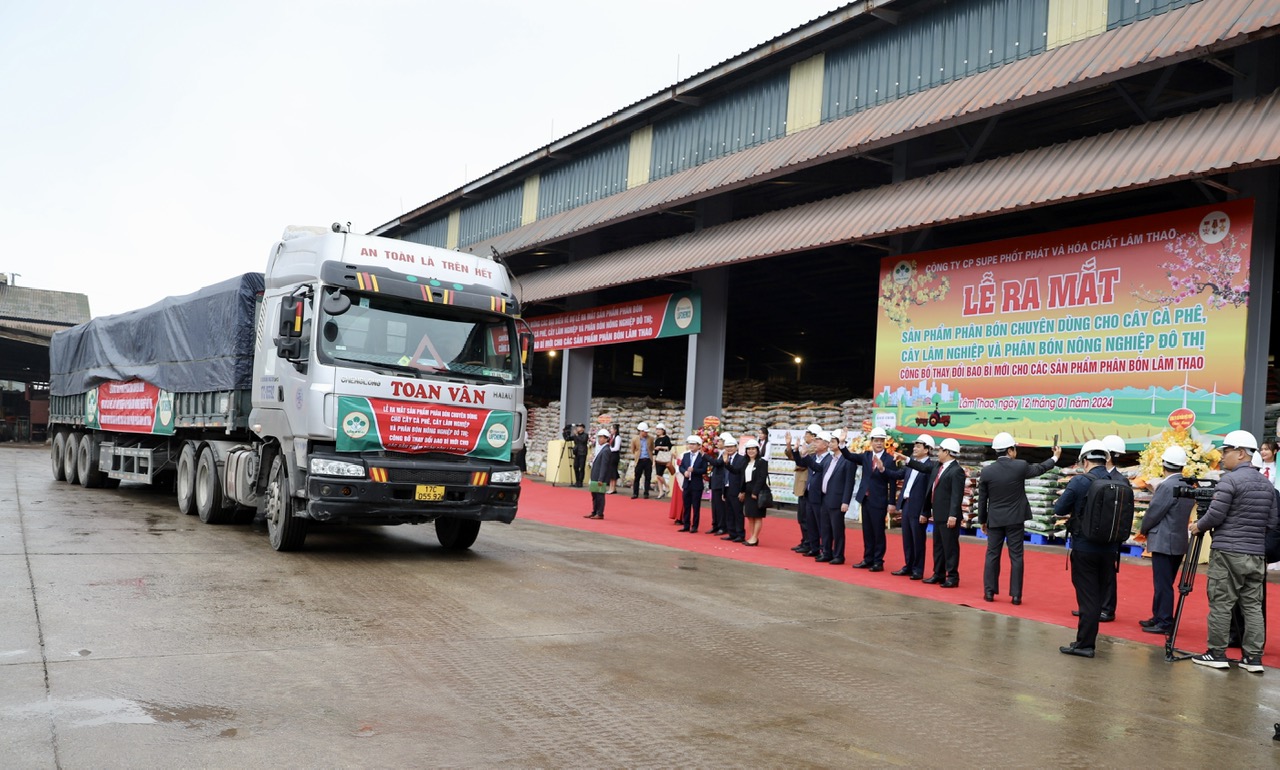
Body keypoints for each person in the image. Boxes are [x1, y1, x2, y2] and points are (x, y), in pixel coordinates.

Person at [1188, 430, 1278, 673]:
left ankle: (1216, 653)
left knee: (1221, 603)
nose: (1222, 455)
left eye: (1226, 451)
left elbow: (1216, 514)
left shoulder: (1230, 480)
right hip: (1256, 554)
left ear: (1240, 453)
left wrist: (1198, 526)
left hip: (1228, 551)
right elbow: (1271, 523)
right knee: (1252, 605)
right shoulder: (1266, 485)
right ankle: (1253, 658)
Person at [1053, 440, 1124, 659]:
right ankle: (1085, 641)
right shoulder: (1120, 482)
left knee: (1088, 598)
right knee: (1098, 595)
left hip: (1085, 548)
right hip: (1110, 549)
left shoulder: (1079, 481)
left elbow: (1059, 508)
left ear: (1085, 461)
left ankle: (1085, 644)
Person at [978, 431, 1061, 605]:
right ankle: (1016, 596)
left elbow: (982, 499)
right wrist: (1054, 457)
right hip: (1015, 519)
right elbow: (1040, 468)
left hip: (995, 520)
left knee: (992, 555)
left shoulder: (987, 471)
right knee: (1016, 556)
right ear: (1010, 450)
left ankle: (989, 592)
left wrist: (982, 521)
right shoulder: (1020, 466)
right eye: (1014, 448)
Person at [1137, 446, 1195, 635]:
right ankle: (1158, 616)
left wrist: (1143, 529)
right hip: (1178, 540)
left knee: (1162, 583)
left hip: (1163, 540)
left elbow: (1154, 512)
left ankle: (1163, 621)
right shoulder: (1187, 485)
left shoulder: (1166, 486)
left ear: (1164, 465)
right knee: (1165, 582)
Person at [841, 427, 902, 571]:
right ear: (871, 442)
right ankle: (867, 559)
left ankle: (878, 561)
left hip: (879, 500)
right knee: (867, 531)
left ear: (885, 443)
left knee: (878, 532)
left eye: (881, 441)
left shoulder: (889, 459)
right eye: (876, 440)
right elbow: (850, 456)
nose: (879, 443)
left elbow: (892, 482)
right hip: (866, 499)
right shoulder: (866, 456)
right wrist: (842, 443)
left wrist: (891, 502)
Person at [889, 435, 937, 580]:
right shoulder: (911, 464)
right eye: (914, 446)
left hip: (919, 507)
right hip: (907, 504)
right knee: (907, 539)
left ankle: (918, 569)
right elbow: (898, 475)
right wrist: (882, 468)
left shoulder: (931, 466)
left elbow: (929, 492)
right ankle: (908, 565)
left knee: (918, 540)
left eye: (918, 446)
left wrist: (925, 511)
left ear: (927, 449)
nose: (914, 449)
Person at [921, 438, 965, 587]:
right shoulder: (939, 467)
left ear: (947, 452)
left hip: (949, 516)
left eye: (940, 450)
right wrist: (907, 460)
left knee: (950, 547)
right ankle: (938, 573)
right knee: (938, 546)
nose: (938, 453)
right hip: (938, 513)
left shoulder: (956, 470)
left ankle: (952, 576)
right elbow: (923, 468)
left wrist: (953, 514)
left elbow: (956, 495)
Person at [790, 430, 833, 559]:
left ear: (826, 444)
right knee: (811, 523)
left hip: (820, 496)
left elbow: (818, 468)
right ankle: (814, 548)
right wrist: (796, 451)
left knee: (822, 525)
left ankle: (825, 549)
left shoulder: (829, 459)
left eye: (818, 440)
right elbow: (801, 463)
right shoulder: (814, 457)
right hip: (809, 494)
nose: (815, 442)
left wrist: (806, 456)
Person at [817, 431, 857, 564]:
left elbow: (849, 482)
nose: (830, 444)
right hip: (825, 498)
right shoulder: (830, 459)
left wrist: (845, 501)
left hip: (838, 500)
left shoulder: (848, 461)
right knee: (825, 528)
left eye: (833, 442)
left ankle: (839, 555)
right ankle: (826, 552)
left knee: (837, 529)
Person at [787, 425, 821, 555]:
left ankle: (809, 543)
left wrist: (797, 452)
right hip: (803, 485)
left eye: (807, 433)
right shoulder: (807, 447)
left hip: (808, 485)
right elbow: (794, 458)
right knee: (802, 517)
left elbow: (801, 462)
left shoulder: (813, 448)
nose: (805, 435)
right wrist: (790, 446)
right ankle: (805, 541)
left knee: (806, 518)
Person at [714, 434, 748, 543]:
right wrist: (723, 491)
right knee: (728, 512)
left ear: (736, 447)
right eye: (727, 447)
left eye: (731, 446)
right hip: (727, 488)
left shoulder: (742, 459)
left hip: (737, 489)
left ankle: (740, 534)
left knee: (737, 512)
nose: (729, 449)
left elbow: (740, 474)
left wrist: (742, 491)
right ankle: (732, 533)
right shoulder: (725, 458)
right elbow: (724, 475)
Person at [740, 437, 770, 546]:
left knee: (757, 516)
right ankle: (752, 536)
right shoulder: (745, 462)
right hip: (748, 493)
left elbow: (762, 478)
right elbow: (742, 477)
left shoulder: (762, 462)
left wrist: (755, 492)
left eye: (753, 449)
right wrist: (742, 491)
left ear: (757, 450)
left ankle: (755, 537)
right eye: (748, 449)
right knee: (750, 516)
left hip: (757, 493)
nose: (751, 451)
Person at [677, 436, 709, 533]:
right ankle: (686, 525)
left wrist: (694, 470)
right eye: (690, 444)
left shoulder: (702, 457)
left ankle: (694, 526)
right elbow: (681, 467)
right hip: (687, 483)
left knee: (696, 506)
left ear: (699, 446)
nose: (691, 446)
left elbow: (704, 470)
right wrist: (684, 472)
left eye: (693, 444)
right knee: (686, 506)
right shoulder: (686, 455)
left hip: (697, 484)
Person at [584, 428, 612, 520]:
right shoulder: (601, 449)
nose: (599, 439)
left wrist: (601, 478)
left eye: (601, 437)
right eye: (599, 437)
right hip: (595, 475)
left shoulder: (606, 450)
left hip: (599, 477)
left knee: (600, 496)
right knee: (594, 495)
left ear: (606, 438)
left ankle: (600, 513)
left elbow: (604, 466)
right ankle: (594, 511)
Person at [707, 436, 729, 536]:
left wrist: (704, 455)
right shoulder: (720, 453)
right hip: (715, 482)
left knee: (720, 506)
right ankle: (715, 525)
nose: (717, 443)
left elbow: (717, 463)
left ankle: (722, 526)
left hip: (720, 483)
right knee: (715, 506)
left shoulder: (726, 453)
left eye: (719, 441)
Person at [631, 422, 655, 499]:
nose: (646, 433)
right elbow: (633, 449)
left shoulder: (651, 438)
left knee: (648, 477)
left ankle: (646, 493)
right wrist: (636, 455)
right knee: (637, 477)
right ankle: (635, 493)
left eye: (647, 432)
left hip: (648, 459)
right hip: (639, 460)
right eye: (645, 431)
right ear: (641, 431)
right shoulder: (635, 439)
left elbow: (652, 447)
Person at [652, 424, 674, 499]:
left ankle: (666, 486)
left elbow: (669, 447)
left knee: (659, 475)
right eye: (657, 429)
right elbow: (655, 451)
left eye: (659, 429)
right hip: (658, 458)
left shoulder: (666, 438)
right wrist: (654, 461)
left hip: (664, 458)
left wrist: (660, 447)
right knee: (658, 476)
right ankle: (661, 492)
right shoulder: (657, 439)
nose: (657, 431)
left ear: (663, 430)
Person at [607, 425, 622, 494]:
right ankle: (612, 487)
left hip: (614, 456)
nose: (610, 430)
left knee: (613, 471)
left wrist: (609, 449)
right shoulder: (611, 437)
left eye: (612, 429)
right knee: (611, 471)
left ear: (615, 430)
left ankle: (613, 487)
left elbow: (616, 448)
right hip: (611, 455)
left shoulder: (617, 437)